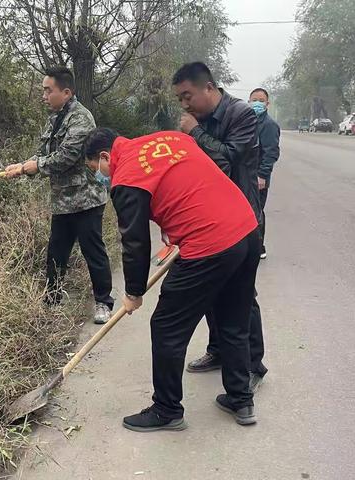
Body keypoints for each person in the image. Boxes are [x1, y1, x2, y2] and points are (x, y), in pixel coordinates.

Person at [84, 127, 260, 430]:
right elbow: (192, 179)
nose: (101, 176)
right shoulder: (170, 137)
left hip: (209, 244)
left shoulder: (125, 175)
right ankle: (241, 399)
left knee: (166, 326)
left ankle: (166, 410)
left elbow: (135, 241)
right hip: (246, 227)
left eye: (96, 170)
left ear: (104, 156)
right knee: (233, 318)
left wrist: (134, 292)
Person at [173, 62, 268, 391]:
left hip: (243, 219)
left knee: (243, 295)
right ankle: (219, 350)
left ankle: (254, 362)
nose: (184, 105)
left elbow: (228, 158)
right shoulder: (196, 120)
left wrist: (194, 133)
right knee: (213, 290)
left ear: (209, 88)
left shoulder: (241, 115)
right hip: (210, 220)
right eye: (180, 99)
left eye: (188, 96)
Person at [5, 66, 113, 324]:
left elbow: (67, 156)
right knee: (56, 251)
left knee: (93, 251)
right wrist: (21, 166)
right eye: (43, 90)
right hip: (63, 201)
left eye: (47, 90)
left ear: (66, 92)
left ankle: (103, 303)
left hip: (86, 199)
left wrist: (35, 166)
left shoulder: (81, 118)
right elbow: (43, 152)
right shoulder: (55, 118)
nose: (44, 95)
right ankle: (51, 300)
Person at [248, 87, 281, 259]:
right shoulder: (246, 121)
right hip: (244, 174)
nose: (257, 103)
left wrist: (262, 175)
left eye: (261, 101)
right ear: (248, 101)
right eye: (254, 100)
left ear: (267, 104)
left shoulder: (269, 125)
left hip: (258, 176)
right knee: (245, 210)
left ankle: (259, 247)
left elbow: (271, 153)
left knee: (257, 211)